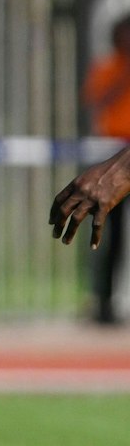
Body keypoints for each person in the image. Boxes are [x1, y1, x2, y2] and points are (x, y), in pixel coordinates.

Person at [78, 16, 130, 322]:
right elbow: (98, 100)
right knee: (109, 234)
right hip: (113, 157)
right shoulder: (106, 67)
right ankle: (104, 303)